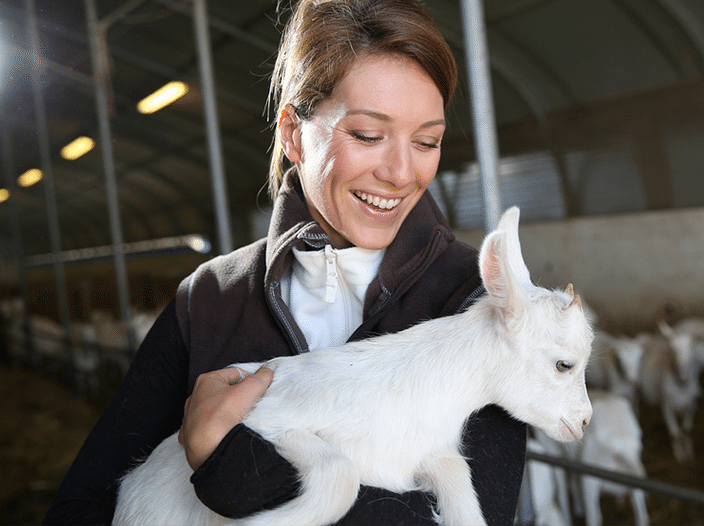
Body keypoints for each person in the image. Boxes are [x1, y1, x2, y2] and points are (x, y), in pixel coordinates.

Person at [43, 0, 526, 524]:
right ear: (294, 134)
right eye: (367, 135)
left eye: (427, 141)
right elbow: (83, 501)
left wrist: (228, 467)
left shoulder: (477, 303)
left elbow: (484, 511)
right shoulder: (211, 297)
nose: (402, 173)